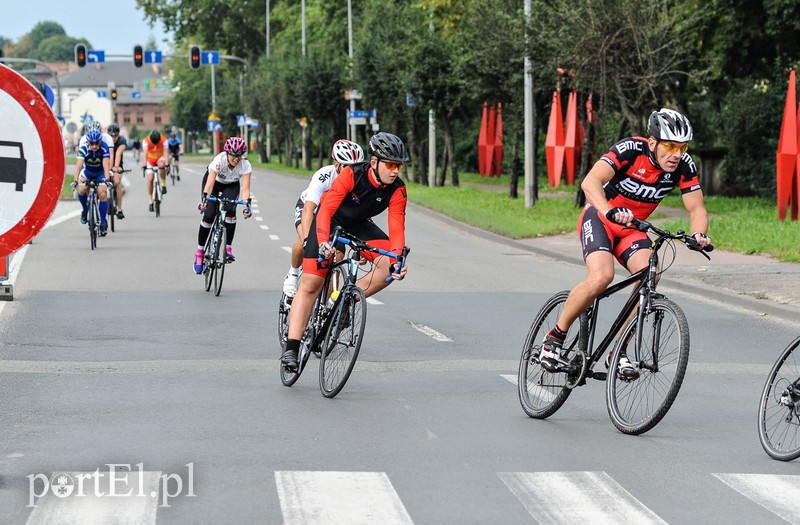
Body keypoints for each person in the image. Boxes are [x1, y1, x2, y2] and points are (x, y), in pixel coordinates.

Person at [538, 108, 712, 380]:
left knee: (649, 276)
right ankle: (554, 339)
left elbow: (697, 209)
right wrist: (608, 210)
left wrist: (699, 234)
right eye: (669, 146)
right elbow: (590, 181)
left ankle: (618, 351)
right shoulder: (630, 150)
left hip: (632, 228)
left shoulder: (684, 165)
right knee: (602, 277)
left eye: (682, 146)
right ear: (653, 142)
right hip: (600, 217)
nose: (676, 154)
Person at [280, 132, 410, 371]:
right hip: (329, 222)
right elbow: (326, 210)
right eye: (390, 165)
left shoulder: (398, 190)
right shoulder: (352, 174)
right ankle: (292, 347)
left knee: (388, 268)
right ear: (374, 163)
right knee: (311, 283)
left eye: (398, 166)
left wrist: (397, 258)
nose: (395, 171)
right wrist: (322, 243)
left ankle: (345, 299)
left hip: (360, 225)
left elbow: (396, 229)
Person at [282, 139, 365, 298]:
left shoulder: (360, 181)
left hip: (335, 216)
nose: (353, 172)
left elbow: (361, 217)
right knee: (305, 240)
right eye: (348, 167)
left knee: (339, 254)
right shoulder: (324, 175)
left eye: (357, 167)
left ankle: (326, 306)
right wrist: (308, 240)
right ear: (337, 165)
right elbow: (308, 209)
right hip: (310, 209)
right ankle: (292, 275)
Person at [193, 137, 252, 274]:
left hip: (231, 185)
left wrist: (246, 207)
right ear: (227, 153)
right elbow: (209, 184)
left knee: (231, 211)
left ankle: (228, 248)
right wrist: (205, 200)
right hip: (214, 183)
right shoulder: (219, 160)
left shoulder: (245, 165)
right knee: (209, 216)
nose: (236, 159)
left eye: (239, 156)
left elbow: (246, 189)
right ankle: (200, 252)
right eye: (233, 155)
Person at [74, 129, 111, 236]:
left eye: (97, 143)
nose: (94, 146)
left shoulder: (104, 148)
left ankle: (103, 222)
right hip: (88, 172)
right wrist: (75, 181)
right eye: (91, 143)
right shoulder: (84, 148)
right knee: (81, 190)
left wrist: (107, 180)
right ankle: (85, 210)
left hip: (100, 173)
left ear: (100, 141)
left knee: (103, 193)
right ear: (88, 142)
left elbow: (105, 166)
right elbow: (79, 166)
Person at [142, 130, 169, 212]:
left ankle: (163, 184)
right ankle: (150, 201)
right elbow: (145, 154)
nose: (155, 145)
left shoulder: (164, 140)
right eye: (154, 143)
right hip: (150, 160)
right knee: (150, 179)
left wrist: (167, 164)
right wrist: (144, 165)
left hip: (160, 158)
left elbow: (165, 153)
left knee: (162, 165)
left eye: (157, 143)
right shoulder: (146, 141)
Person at [107, 123, 127, 219]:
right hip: (106, 165)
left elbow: (118, 153)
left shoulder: (122, 140)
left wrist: (115, 166)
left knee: (117, 182)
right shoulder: (104, 140)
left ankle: (119, 209)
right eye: (111, 135)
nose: (113, 138)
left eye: (115, 135)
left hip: (117, 166)